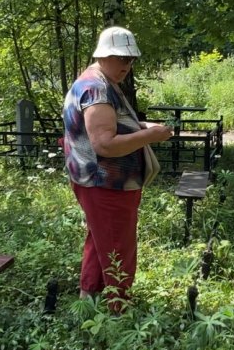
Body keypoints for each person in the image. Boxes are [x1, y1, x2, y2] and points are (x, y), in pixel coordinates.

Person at [61, 26, 173, 312]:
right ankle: (118, 309)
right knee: (117, 246)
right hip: (105, 183)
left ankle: (89, 298)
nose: (126, 64)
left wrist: (146, 127)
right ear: (103, 54)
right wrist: (150, 136)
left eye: (130, 59)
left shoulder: (98, 79)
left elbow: (112, 126)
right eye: (120, 57)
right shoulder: (98, 88)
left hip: (99, 181)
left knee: (101, 238)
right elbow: (105, 145)